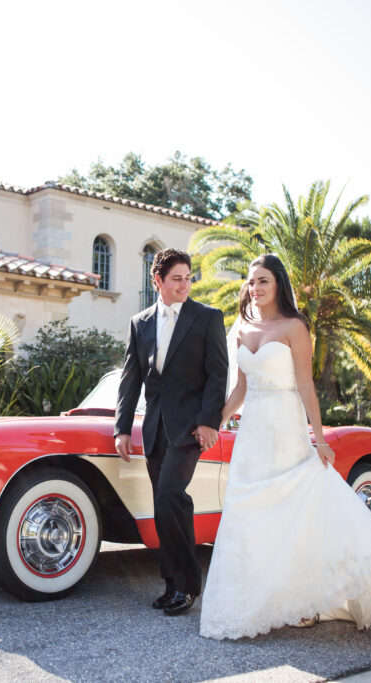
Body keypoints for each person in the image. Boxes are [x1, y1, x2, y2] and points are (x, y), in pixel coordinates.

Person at [199, 254, 371, 640]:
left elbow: (305, 385)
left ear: (279, 284)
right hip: (253, 438)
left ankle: (307, 602)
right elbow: (240, 390)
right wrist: (214, 422)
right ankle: (262, 601)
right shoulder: (242, 328)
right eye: (251, 282)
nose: (256, 288)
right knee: (252, 517)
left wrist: (318, 439)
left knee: (296, 515)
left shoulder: (294, 327)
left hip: (286, 430)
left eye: (263, 280)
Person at [115, 248, 228, 616]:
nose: (185, 284)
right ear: (158, 281)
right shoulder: (140, 322)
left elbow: (217, 374)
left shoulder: (207, 318)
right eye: (177, 278)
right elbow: (130, 380)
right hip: (154, 428)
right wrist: (122, 428)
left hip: (191, 428)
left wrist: (210, 421)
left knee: (169, 495)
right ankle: (171, 585)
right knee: (163, 507)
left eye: (188, 277)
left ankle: (190, 585)